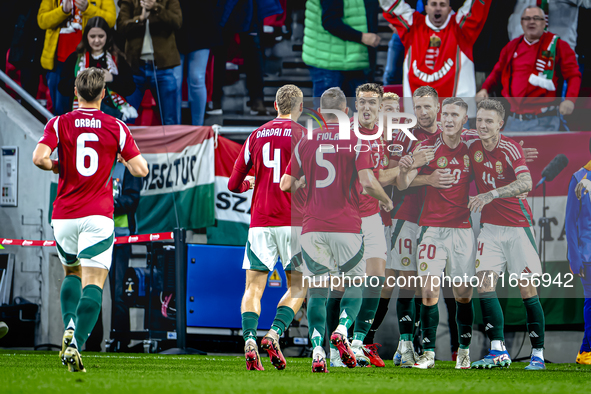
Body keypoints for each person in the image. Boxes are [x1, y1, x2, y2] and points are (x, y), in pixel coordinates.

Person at [32, 67, 148, 372]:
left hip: (65, 216)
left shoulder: (59, 123)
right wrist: (123, 158)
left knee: (71, 273)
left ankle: (68, 325)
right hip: (98, 215)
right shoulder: (116, 126)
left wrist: (58, 166)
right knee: (94, 282)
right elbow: (141, 170)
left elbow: (38, 158)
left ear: (75, 92)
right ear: (102, 94)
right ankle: (76, 342)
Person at [280, 87, 401, 373]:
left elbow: (286, 184)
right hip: (350, 222)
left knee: (320, 289)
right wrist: (386, 201)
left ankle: (320, 349)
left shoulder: (306, 140)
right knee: (358, 282)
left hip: (312, 225)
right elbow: (369, 181)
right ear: (348, 110)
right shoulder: (355, 140)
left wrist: (303, 185)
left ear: (320, 112)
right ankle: (345, 333)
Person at [227, 84, 307, 371]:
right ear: (299, 108)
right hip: (293, 222)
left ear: (275, 105)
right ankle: (273, 333)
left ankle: (249, 339)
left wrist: (250, 182)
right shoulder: (303, 136)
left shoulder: (256, 135)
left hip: (260, 221)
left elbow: (233, 184)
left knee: (253, 287)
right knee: (299, 285)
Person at [467, 99, 545, 370]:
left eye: (489, 121)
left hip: (516, 227)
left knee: (526, 288)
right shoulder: (472, 144)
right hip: (490, 228)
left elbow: (527, 182)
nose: (483, 125)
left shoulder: (511, 148)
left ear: (501, 124)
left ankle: (538, 355)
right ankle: (497, 350)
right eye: (479, 120)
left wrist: (493, 193)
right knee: (484, 284)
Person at [411, 97, 475, 370]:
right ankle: (427, 353)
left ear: (463, 120)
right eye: (445, 114)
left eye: (454, 115)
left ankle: (463, 350)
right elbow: (403, 182)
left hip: (462, 229)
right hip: (432, 229)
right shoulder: (425, 147)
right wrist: (428, 178)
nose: (448, 119)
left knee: (463, 294)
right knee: (429, 291)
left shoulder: (473, 148)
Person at [477, 6, 581, 132]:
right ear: (521, 23)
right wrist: (485, 89)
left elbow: (573, 75)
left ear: (544, 23)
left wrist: (570, 100)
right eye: (527, 18)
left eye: (536, 18)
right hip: (514, 120)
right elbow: (497, 72)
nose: (531, 21)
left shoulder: (558, 45)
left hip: (545, 120)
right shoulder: (512, 46)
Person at [379, 0, 491, 100]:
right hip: (419, 116)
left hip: (456, 117)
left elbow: (478, 4)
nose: (437, 8)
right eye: (433, 4)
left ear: (449, 9)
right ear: (426, 8)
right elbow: (388, 3)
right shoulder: (413, 25)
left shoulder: (460, 28)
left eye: (442, 5)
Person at [38, 0, 116, 115]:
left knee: (88, 111)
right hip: (58, 61)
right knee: (59, 111)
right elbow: (42, 21)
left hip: (88, 60)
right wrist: (62, 11)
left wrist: (88, 8)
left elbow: (111, 20)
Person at [58, 16, 137, 121]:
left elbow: (130, 88)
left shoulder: (118, 59)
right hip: (81, 118)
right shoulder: (75, 58)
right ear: (86, 36)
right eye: (92, 36)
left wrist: (112, 79)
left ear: (107, 36)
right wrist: (83, 82)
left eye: (101, 36)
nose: (96, 40)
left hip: (111, 117)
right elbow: (62, 87)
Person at [117, 0, 182, 125]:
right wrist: (139, 19)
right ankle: (125, 145)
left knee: (170, 120)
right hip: (135, 67)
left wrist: (156, 8)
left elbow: (177, 22)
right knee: (126, 117)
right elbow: (120, 27)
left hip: (163, 67)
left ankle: (172, 145)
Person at [302, 0, 381, 97]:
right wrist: (362, 37)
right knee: (329, 110)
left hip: (355, 60)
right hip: (329, 61)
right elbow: (330, 21)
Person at [174, 0, 222, 125]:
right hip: (175, 25)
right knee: (175, 81)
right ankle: (174, 128)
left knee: (197, 78)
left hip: (202, 24)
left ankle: (198, 127)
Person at [565, 139, 591, 365]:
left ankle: (584, 353)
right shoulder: (579, 178)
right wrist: (574, 257)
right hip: (587, 253)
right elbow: (570, 221)